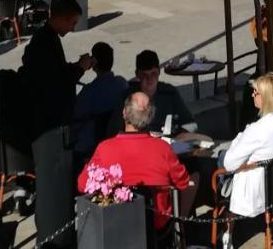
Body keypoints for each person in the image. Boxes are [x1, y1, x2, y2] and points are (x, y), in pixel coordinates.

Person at [20, 0, 93, 248]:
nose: (73, 28)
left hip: (47, 126)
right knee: (55, 191)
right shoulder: (45, 43)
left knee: (56, 190)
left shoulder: (45, 41)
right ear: (60, 18)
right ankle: (56, 240)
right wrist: (80, 68)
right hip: (50, 129)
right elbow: (55, 83)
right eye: (71, 22)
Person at [79, 91, 195, 231]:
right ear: (151, 118)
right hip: (156, 227)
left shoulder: (105, 148)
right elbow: (183, 182)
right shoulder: (163, 149)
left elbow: (82, 184)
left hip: (114, 226)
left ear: (124, 113)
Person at [221, 73, 273, 219]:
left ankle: (228, 233)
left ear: (267, 97)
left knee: (221, 162)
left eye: (256, 92)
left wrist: (240, 138)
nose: (253, 95)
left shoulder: (257, 130)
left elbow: (229, 164)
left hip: (259, 195)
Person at [74, 42, 129, 155]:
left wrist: (80, 68)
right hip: (118, 140)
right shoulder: (122, 84)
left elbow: (74, 113)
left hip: (92, 147)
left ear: (93, 62)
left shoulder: (89, 92)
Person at [132, 49, 188, 131]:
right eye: (144, 74)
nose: (149, 78)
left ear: (159, 72)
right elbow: (114, 131)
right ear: (137, 75)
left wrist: (182, 135)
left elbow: (189, 123)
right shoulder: (129, 98)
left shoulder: (170, 93)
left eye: (153, 73)